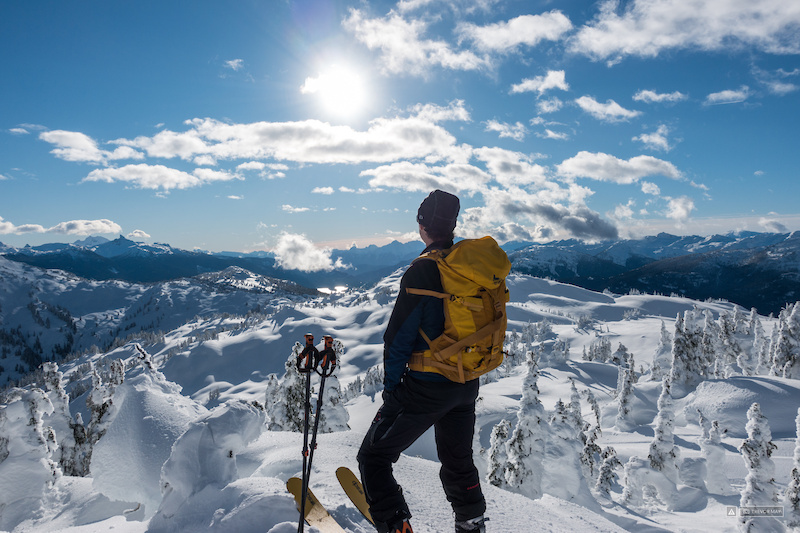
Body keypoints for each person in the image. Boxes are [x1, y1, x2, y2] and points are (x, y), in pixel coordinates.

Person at [357, 190, 487, 533]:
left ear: (421, 224)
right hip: (466, 383)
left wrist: (391, 391)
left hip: (427, 385)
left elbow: (397, 339)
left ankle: (394, 525)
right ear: (453, 226)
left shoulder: (423, 271)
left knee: (374, 457)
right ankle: (472, 524)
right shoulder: (469, 267)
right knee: (458, 461)